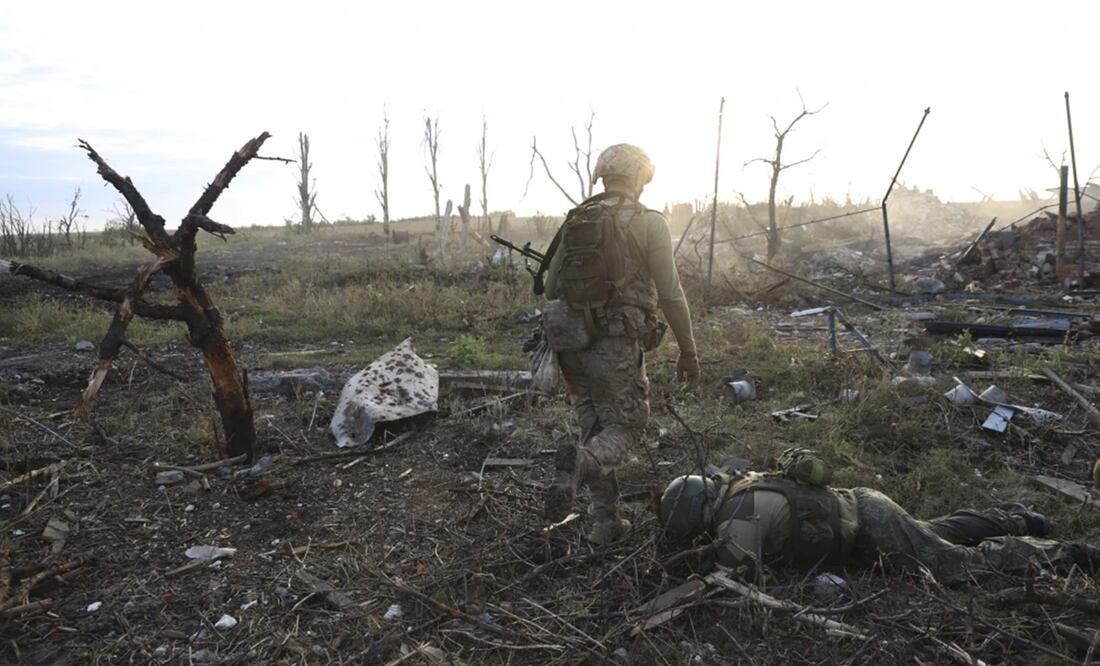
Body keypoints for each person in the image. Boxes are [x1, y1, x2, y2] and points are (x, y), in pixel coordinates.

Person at [539, 144, 699, 545]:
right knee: (628, 423)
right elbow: (671, 293)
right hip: (614, 341)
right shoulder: (648, 222)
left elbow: (550, 286)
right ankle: (580, 465)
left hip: (570, 343)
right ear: (640, 178)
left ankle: (605, 523)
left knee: (594, 425)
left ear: (603, 177)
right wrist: (689, 350)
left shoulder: (577, 219)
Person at [658, 450, 1098, 584]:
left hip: (869, 528)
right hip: (864, 508)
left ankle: (1072, 552)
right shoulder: (742, 484)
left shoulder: (736, 519)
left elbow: (737, 577)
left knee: (952, 565)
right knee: (934, 533)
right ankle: (1017, 518)